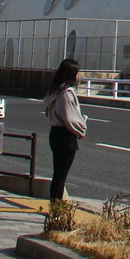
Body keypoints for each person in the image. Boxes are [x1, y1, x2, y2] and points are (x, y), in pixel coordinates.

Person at [43, 58, 87, 202]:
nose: (79, 75)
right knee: (61, 176)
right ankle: (57, 209)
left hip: (55, 133)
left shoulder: (54, 90)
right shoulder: (66, 94)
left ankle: (54, 206)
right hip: (65, 136)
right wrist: (81, 130)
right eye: (77, 72)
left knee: (57, 174)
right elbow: (70, 118)